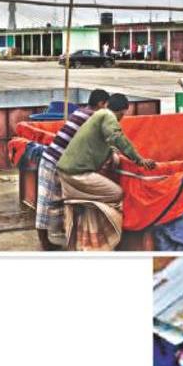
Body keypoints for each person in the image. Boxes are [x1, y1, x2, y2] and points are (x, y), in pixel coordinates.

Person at [56, 93, 158, 249]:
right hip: (76, 175)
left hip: (66, 172)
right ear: (122, 111)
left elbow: (107, 142)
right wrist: (139, 160)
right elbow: (117, 137)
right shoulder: (107, 116)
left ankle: (87, 229)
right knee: (116, 193)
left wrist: (112, 153)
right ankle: (106, 237)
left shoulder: (98, 115)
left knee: (99, 199)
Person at [35, 89, 109, 250]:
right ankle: (44, 241)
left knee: (62, 200)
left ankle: (62, 231)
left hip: (59, 160)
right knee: (46, 201)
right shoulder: (92, 117)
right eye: (106, 106)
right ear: (101, 103)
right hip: (54, 160)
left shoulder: (80, 112)